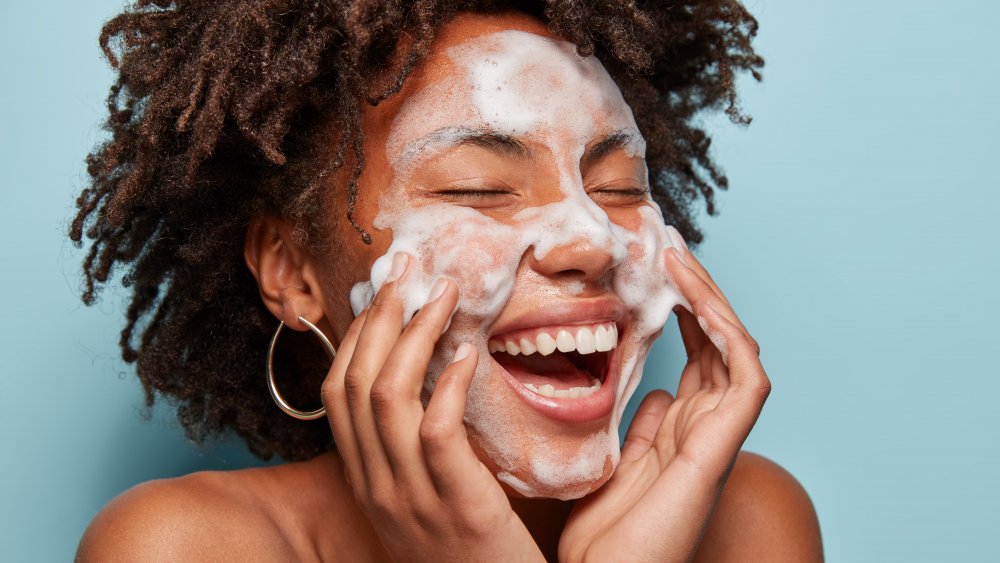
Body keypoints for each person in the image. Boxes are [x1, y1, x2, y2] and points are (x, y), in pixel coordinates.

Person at [73, 1, 823, 560]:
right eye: (480, 188)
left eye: (620, 187)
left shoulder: (747, 522)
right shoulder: (183, 547)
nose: (590, 239)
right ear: (291, 271)